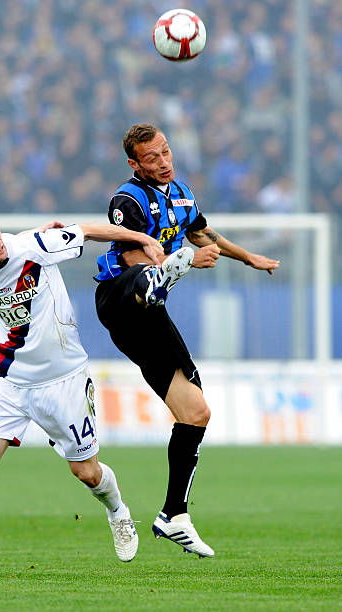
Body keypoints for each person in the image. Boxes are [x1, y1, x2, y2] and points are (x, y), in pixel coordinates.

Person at [0, 210, 164, 577]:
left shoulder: (34, 247)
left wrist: (143, 239)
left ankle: (118, 511)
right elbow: (10, 246)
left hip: (63, 379)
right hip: (12, 379)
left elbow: (87, 230)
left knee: (86, 472)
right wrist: (33, 231)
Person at [95, 123, 280, 558]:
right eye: (152, 157)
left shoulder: (181, 193)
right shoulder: (126, 200)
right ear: (134, 163)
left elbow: (202, 234)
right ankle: (166, 274)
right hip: (121, 297)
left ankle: (174, 515)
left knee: (196, 412)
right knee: (147, 278)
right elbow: (134, 257)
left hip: (148, 316)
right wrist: (185, 261)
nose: (163, 162)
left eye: (165, 152)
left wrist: (247, 257)